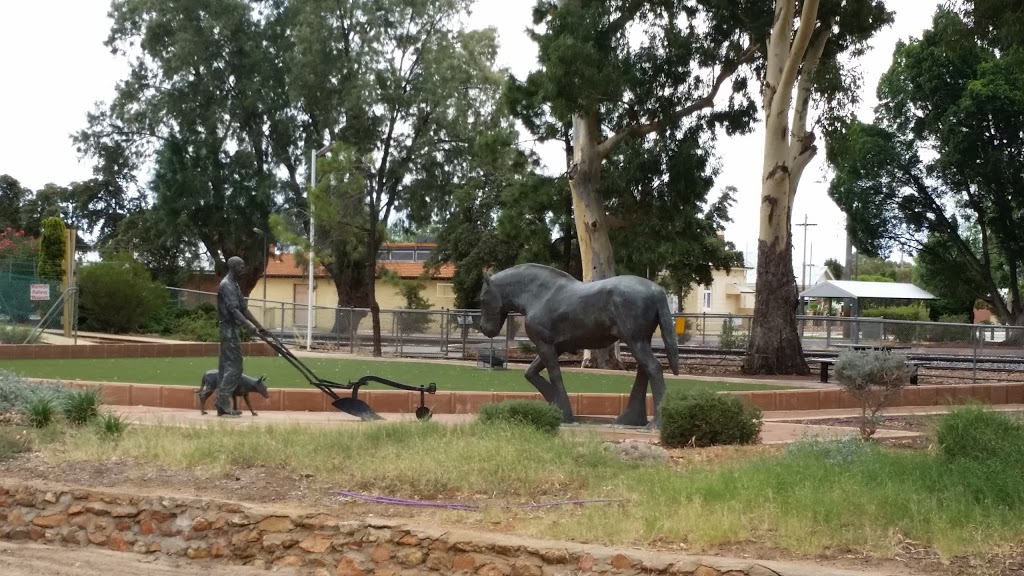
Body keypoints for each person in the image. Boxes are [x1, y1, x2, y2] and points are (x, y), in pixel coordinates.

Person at [215, 256, 269, 417]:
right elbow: (233, 310)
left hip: (233, 330)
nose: (244, 269)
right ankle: (222, 403)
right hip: (228, 330)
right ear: (233, 267)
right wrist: (248, 326)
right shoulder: (226, 286)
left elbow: (244, 309)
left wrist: (259, 326)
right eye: (241, 266)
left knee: (226, 367)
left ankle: (221, 404)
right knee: (235, 367)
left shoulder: (235, 285)